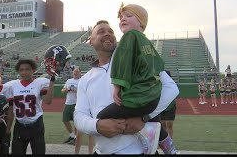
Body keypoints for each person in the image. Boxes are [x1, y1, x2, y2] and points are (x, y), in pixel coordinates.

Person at [74, 20, 179, 154]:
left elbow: (171, 88)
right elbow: (79, 116)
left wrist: (143, 118)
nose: (107, 33)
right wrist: (97, 126)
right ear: (91, 40)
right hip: (103, 151)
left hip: (140, 151)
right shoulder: (85, 79)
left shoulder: (136, 59)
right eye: (101, 31)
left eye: (110, 31)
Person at [6, 59, 55, 154]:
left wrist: (52, 80)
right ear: (18, 71)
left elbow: (48, 101)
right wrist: (8, 129)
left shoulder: (40, 83)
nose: (24, 72)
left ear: (33, 70)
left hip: (36, 125)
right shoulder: (12, 85)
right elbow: (11, 109)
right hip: (19, 125)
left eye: (28, 69)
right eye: (21, 69)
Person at [61, 67, 81, 145]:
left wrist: (75, 90)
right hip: (68, 103)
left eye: (77, 71)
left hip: (77, 103)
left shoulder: (81, 81)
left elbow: (84, 92)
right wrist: (67, 90)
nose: (75, 72)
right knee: (65, 119)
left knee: (76, 122)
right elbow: (62, 90)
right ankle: (72, 136)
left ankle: (76, 138)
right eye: (74, 71)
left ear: (80, 73)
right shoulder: (69, 81)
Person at [160, 70, 178, 139]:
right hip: (162, 106)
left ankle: (170, 142)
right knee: (163, 124)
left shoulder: (171, 84)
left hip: (170, 106)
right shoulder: (159, 84)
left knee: (169, 124)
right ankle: (164, 142)